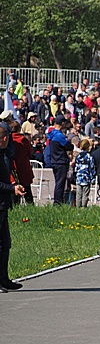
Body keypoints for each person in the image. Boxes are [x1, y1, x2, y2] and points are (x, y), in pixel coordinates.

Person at [0, 123, 27, 292]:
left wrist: (13, 184)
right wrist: (11, 188)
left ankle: (4, 278)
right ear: (4, 138)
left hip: (3, 203)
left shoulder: (4, 154)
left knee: (5, 243)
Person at [44, 117, 73, 204]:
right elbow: (69, 146)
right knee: (60, 183)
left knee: (58, 182)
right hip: (60, 161)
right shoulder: (59, 135)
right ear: (62, 123)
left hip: (54, 160)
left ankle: (58, 201)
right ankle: (57, 202)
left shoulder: (51, 134)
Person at [73, 139, 96, 208]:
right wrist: (93, 178)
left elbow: (76, 168)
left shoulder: (78, 156)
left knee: (78, 194)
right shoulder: (89, 157)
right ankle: (84, 207)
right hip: (86, 177)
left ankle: (78, 207)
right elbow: (92, 168)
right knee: (85, 194)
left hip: (79, 177)